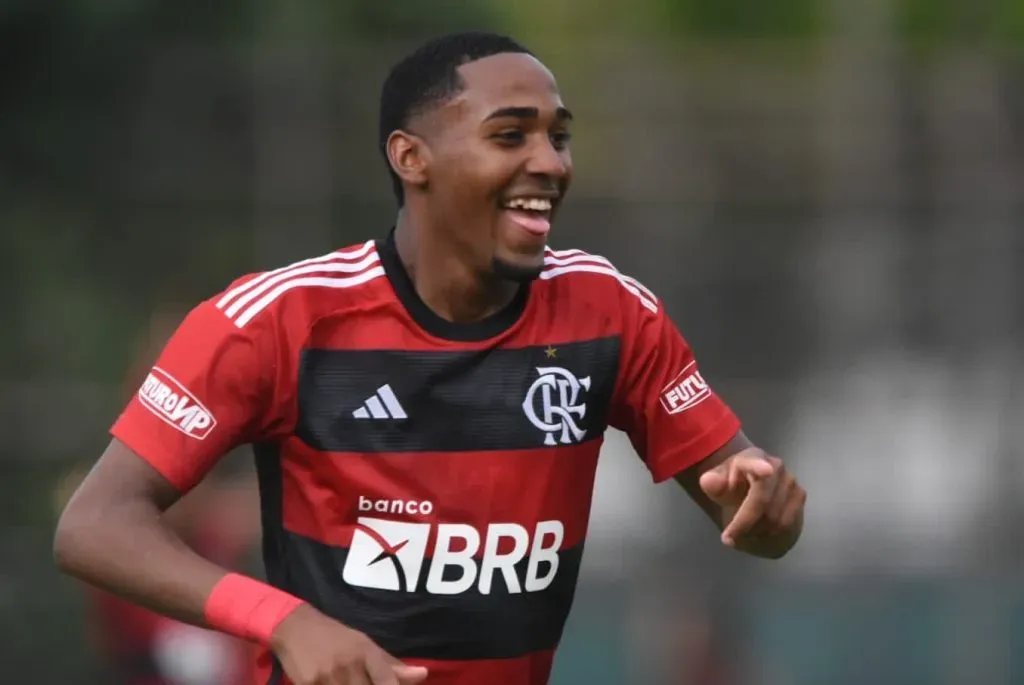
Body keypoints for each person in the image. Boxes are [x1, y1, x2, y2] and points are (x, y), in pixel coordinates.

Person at [53, 31, 806, 685]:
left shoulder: (611, 313)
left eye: (559, 137)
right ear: (412, 157)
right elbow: (94, 522)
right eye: (510, 136)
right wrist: (285, 620)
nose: (550, 162)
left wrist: (765, 508)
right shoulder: (278, 321)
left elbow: (749, 517)